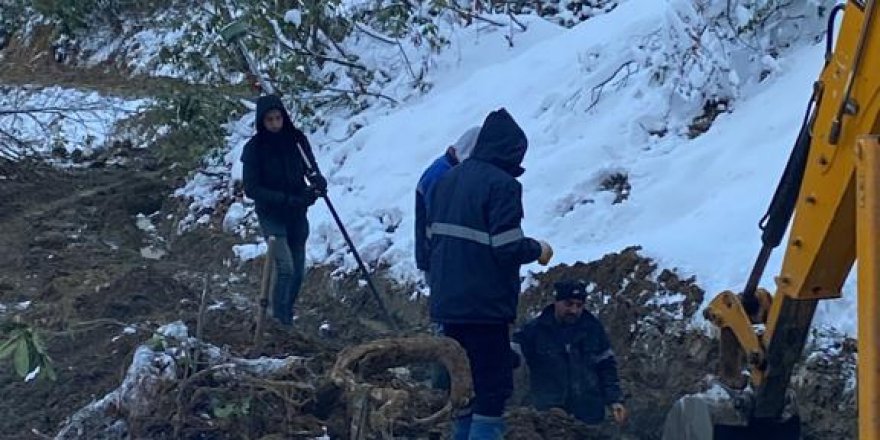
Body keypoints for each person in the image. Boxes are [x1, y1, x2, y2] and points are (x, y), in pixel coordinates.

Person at [427, 107, 554, 440]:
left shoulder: (447, 180)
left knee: (463, 381)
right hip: (484, 305)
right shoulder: (503, 186)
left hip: (447, 302)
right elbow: (507, 245)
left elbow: (433, 241)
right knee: (492, 387)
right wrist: (537, 249)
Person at [240, 94, 327, 326]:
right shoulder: (254, 149)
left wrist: (317, 182)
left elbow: (310, 167)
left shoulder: (296, 140)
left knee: (298, 270)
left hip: (297, 213)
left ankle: (287, 311)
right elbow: (251, 188)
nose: (275, 124)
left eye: (278, 118)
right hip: (271, 214)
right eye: (270, 120)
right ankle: (280, 321)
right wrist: (286, 199)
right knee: (286, 268)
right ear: (262, 121)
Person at [511, 280, 628, 426]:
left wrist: (614, 400)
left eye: (579, 305)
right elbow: (512, 354)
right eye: (568, 304)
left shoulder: (593, 330)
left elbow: (607, 367)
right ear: (556, 302)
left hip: (589, 416)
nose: (573, 310)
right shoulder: (534, 330)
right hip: (547, 415)